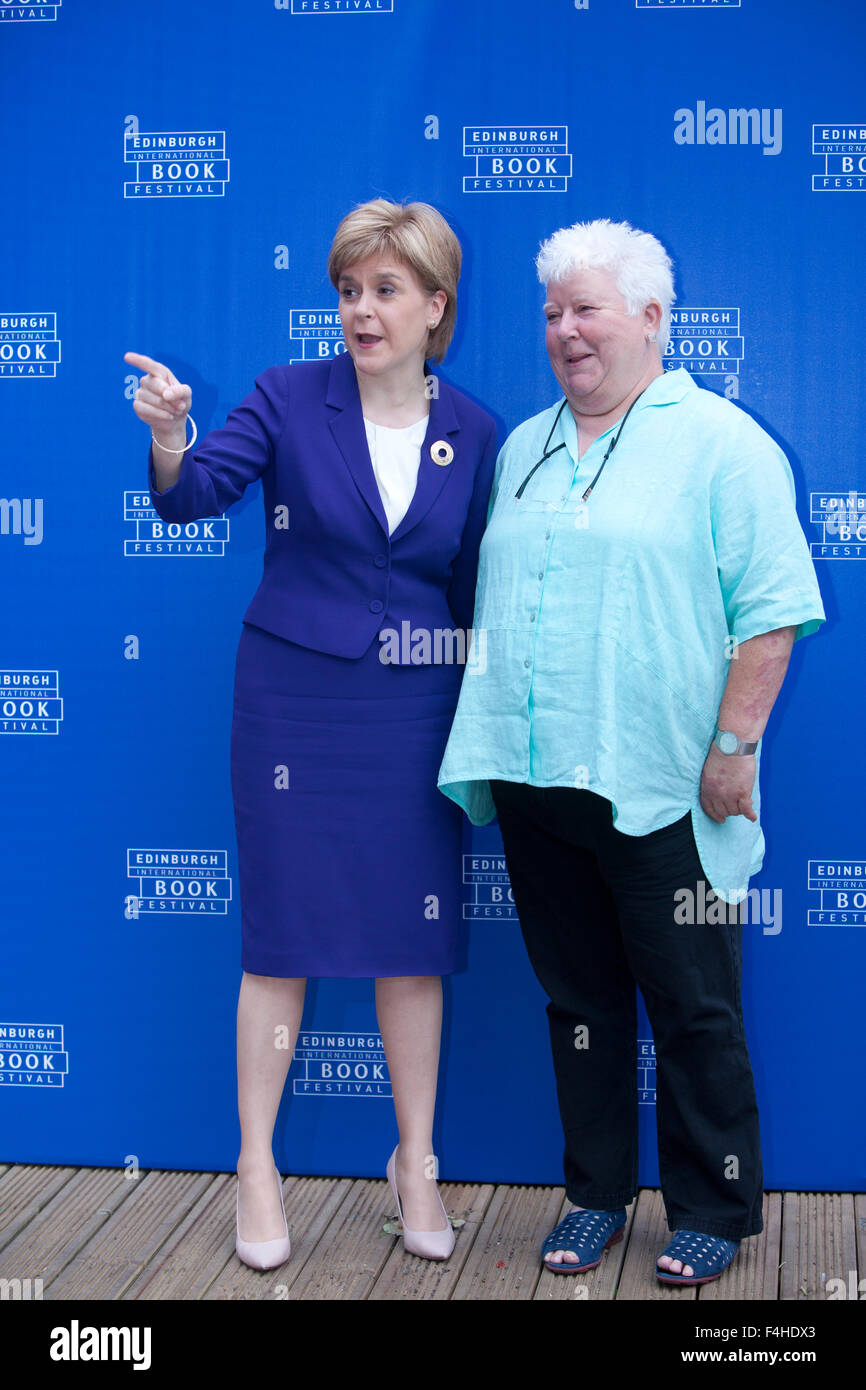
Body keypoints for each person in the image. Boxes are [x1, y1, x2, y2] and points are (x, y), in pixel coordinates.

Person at [437, 218, 825, 1286]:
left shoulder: (723, 445)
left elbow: (773, 613)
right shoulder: (522, 446)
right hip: (536, 779)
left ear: (652, 318)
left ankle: (711, 1207)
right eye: (552, 312)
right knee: (578, 1004)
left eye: (587, 309)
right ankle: (595, 1193)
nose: (564, 331)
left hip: (663, 784)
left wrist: (734, 747)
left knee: (693, 1006)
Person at [125, 199, 497, 1269]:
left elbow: (466, 584)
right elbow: (193, 498)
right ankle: (256, 1163)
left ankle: (414, 1160)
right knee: (282, 937)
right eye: (348, 289)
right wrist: (166, 436)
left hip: (415, 711)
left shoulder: (470, 429)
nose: (361, 309)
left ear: (435, 305)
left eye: (385, 290)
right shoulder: (288, 397)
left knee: (410, 943)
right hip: (292, 702)